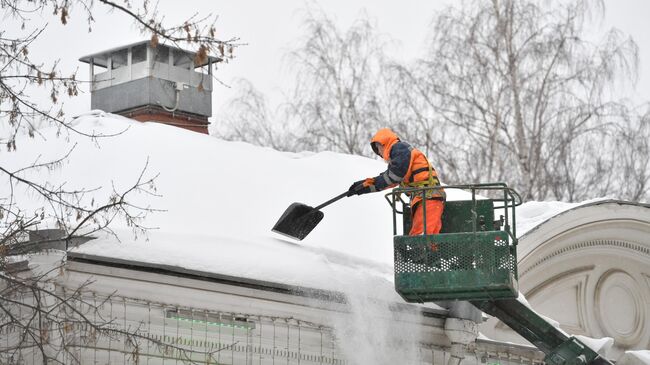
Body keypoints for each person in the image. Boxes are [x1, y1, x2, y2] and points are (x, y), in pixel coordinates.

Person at [348, 128, 445, 235]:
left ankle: (425, 251)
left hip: (428, 197)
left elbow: (394, 176)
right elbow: (390, 180)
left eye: (378, 148)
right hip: (426, 197)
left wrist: (370, 184)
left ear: (383, 143)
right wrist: (364, 186)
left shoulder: (400, 149)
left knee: (421, 237)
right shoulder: (400, 155)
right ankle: (431, 251)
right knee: (428, 238)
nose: (379, 152)